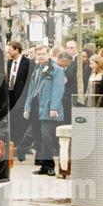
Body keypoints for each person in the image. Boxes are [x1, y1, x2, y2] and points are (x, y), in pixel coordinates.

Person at [24, 45, 66, 176]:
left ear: (49, 54)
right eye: (39, 54)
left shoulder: (56, 70)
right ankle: (44, 165)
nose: (41, 56)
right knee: (38, 137)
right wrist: (27, 107)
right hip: (36, 106)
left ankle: (50, 165)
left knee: (46, 136)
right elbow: (31, 90)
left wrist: (53, 107)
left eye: (43, 53)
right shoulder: (37, 69)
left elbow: (58, 90)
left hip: (48, 107)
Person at [5, 41, 32, 160]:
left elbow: (30, 81)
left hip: (22, 97)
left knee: (21, 123)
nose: (8, 52)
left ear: (16, 49)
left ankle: (21, 147)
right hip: (11, 96)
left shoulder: (28, 63)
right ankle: (14, 146)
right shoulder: (9, 63)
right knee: (13, 122)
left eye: (10, 49)